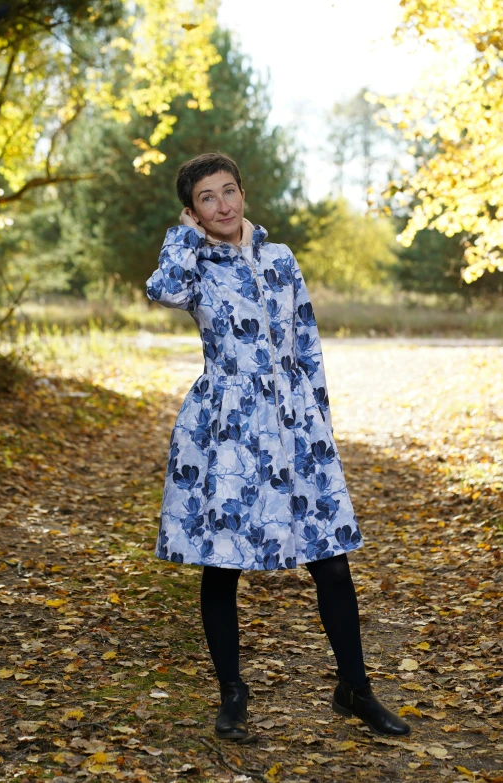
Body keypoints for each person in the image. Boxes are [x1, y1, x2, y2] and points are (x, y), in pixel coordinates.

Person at [146, 152, 410, 741]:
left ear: (243, 192)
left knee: (330, 559)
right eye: (207, 198)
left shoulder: (280, 258)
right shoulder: (193, 264)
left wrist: (320, 422)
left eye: (229, 190)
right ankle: (232, 694)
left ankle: (355, 689)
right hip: (228, 429)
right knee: (222, 564)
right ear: (192, 211)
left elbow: (308, 342)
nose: (223, 204)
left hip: (294, 423)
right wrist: (182, 238)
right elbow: (162, 291)